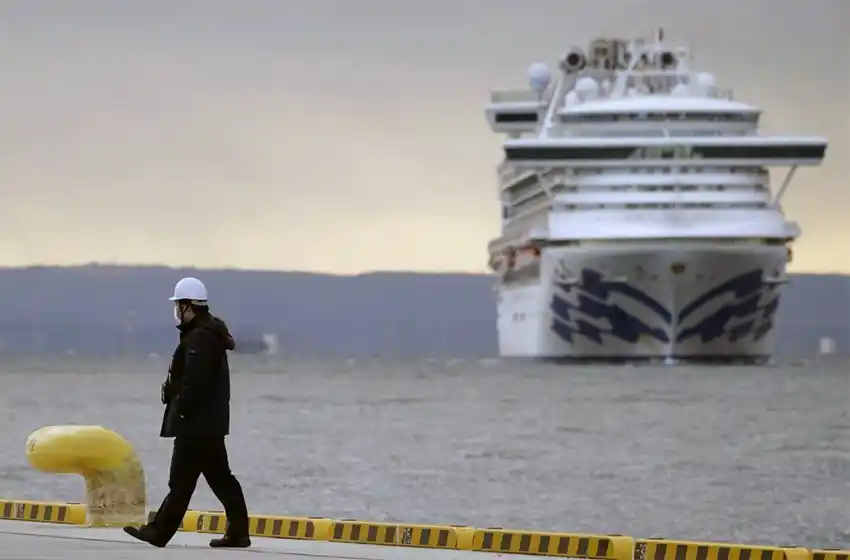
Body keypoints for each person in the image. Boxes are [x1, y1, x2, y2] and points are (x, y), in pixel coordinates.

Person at [123, 276, 251, 548]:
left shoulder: (199, 338)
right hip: (210, 423)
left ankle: (159, 532)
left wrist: (181, 412)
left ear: (187, 306)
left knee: (180, 482)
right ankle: (239, 532)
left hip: (196, 424)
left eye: (178, 305)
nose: (176, 311)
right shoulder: (206, 334)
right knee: (220, 478)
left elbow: (195, 381)